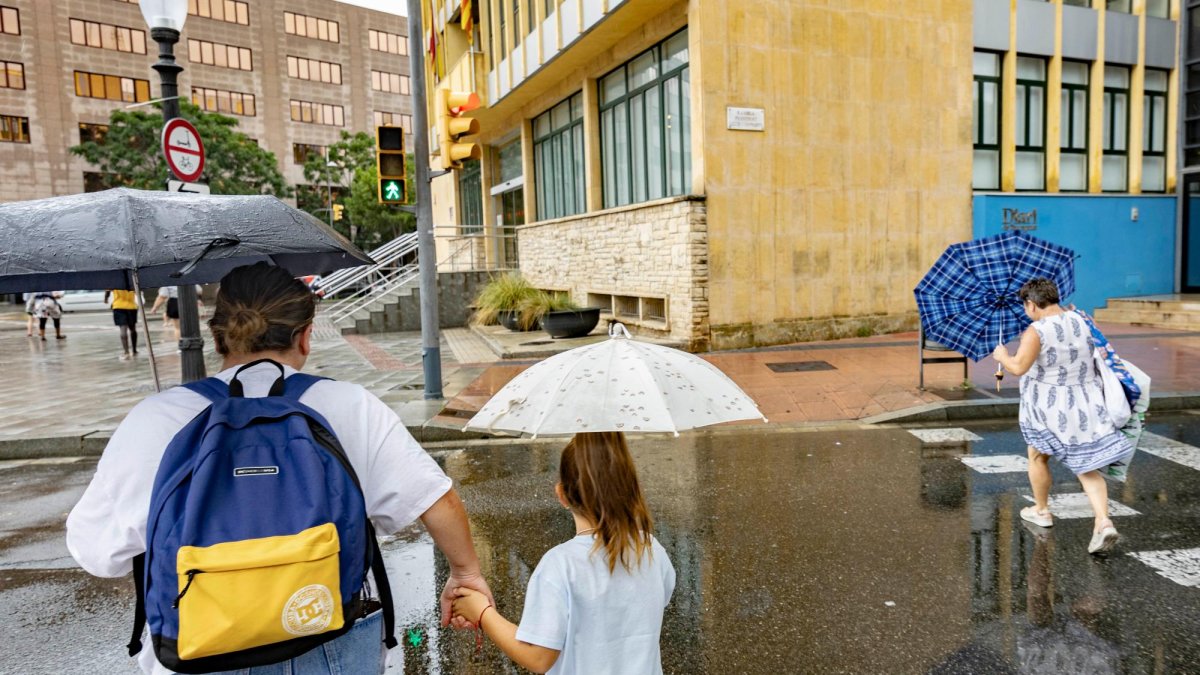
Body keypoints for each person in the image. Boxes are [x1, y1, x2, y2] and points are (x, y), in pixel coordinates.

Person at [66, 263, 492, 674]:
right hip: (330, 636)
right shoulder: (349, 405)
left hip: (195, 647)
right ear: (305, 336)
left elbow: (97, 554)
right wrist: (465, 574)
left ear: (218, 338)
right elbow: (435, 498)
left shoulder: (156, 417)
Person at [451, 431, 675, 675]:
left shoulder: (560, 565)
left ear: (562, 494)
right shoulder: (652, 550)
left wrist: (483, 613)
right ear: (631, 488)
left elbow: (538, 656)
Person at [993, 278, 1134, 555]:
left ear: (1032, 304)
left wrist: (1003, 355)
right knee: (1086, 465)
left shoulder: (1036, 331)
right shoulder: (1081, 319)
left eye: (1026, 306)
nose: (1026, 311)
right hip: (1084, 402)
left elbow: (1019, 367)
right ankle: (1103, 522)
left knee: (1037, 455)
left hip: (1049, 407)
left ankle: (1042, 510)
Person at [106, 289, 140, 360]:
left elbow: (108, 290)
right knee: (132, 328)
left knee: (123, 328)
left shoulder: (115, 281)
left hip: (118, 306)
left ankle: (126, 352)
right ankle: (134, 350)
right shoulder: (131, 280)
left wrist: (106, 298)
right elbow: (137, 291)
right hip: (132, 306)